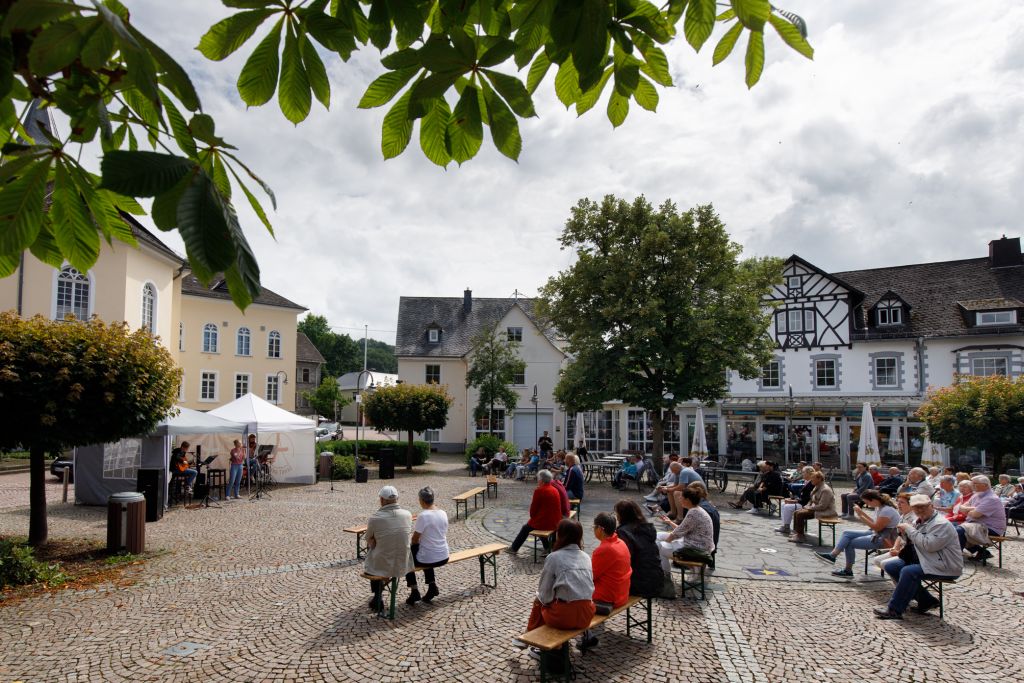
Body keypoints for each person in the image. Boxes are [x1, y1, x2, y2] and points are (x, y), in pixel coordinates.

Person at [874, 494, 963, 620]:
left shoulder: (941, 524)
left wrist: (909, 530)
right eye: (916, 508)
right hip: (927, 561)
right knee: (892, 566)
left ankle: (894, 610)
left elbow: (929, 546)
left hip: (946, 565)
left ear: (931, 506)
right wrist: (903, 533)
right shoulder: (920, 520)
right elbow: (914, 541)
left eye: (923, 507)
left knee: (908, 571)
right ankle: (927, 601)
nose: (920, 510)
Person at [524, 519, 595, 636]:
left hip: (564, 617)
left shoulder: (554, 558)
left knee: (539, 602)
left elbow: (544, 595)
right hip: (586, 614)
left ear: (560, 535)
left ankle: (530, 637)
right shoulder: (586, 557)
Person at [579, 512, 632, 651]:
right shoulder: (621, 543)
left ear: (601, 529)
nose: (593, 530)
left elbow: (590, 576)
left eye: (594, 527)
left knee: (574, 598)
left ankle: (588, 636)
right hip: (622, 592)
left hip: (609, 598)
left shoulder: (604, 549)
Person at [816, 490, 900, 577]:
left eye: (866, 502)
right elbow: (874, 523)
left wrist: (861, 516)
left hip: (885, 538)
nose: (865, 504)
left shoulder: (886, 510)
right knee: (846, 533)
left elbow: (876, 527)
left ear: (873, 500)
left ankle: (847, 570)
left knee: (850, 543)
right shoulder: (879, 507)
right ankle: (833, 555)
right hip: (877, 533)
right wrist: (861, 512)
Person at [364, 486, 414, 613]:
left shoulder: (375, 518)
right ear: (397, 499)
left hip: (383, 565)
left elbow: (369, 540)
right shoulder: (408, 515)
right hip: (404, 563)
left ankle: (378, 597)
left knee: (373, 554)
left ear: (381, 500)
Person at [405, 487, 449, 605]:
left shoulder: (423, 516)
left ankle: (414, 591)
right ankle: (432, 586)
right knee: (426, 550)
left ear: (422, 500)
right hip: (444, 555)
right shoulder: (443, 513)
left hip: (430, 558)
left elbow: (415, 539)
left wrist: (413, 544)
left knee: (407, 557)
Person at [613, 500, 665, 599]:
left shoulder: (623, 532)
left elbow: (625, 560)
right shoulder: (647, 527)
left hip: (639, 584)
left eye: (617, 514)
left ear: (622, 515)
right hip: (657, 580)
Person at [656, 489, 715, 573]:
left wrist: (666, 542)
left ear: (687, 500)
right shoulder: (696, 509)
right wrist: (670, 522)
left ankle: (665, 575)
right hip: (697, 543)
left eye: (681, 497)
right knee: (658, 535)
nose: (679, 499)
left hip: (697, 548)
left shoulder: (693, 512)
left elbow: (675, 534)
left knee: (659, 547)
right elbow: (682, 529)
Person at [953, 475, 1007, 563]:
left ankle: (954, 558)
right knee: (948, 527)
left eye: (975, 483)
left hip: (991, 528)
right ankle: (982, 552)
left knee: (959, 530)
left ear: (985, 485)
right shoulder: (976, 495)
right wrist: (972, 509)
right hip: (975, 523)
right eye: (972, 483)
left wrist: (970, 510)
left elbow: (975, 515)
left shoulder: (991, 499)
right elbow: (961, 507)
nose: (972, 485)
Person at [508, 470, 563, 554]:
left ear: (541, 480)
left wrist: (534, 517)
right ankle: (547, 547)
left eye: (538, 479)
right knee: (537, 525)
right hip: (555, 521)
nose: (537, 481)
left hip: (546, 522)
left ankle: (514, 548)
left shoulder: (539, 490)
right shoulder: (554, 489)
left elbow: (533, 512)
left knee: (526, 528)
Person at [789, 472, 837, 544]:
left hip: (826, 511)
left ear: (819, 479)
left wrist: (810, 508)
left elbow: (823, 506)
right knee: (797, 512)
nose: (811, 480)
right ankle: (798, 533)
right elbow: (811, 500)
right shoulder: (817, 487)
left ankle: (800, 536)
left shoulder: (825, 490)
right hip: (817, 508)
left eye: (813, 479)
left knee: (800, 514)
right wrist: (807, 506)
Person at [687, 482, 720, 568]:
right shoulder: (709, 506)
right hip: (712, 544)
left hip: (702, 547)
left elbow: (686, 530)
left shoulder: (698, 509)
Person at [776, 465, 816, 536]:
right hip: (802, 501)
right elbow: (802, 495)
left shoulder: (812, 484)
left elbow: (807, 498)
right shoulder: (807, 482)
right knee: (783, 504)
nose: (802, 474)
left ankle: (786, 527)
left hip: (805, 504)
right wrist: (793, 499)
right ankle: (785, 525)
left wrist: (794, 501)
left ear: (809, 473)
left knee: (787, 507)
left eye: (803, 472)